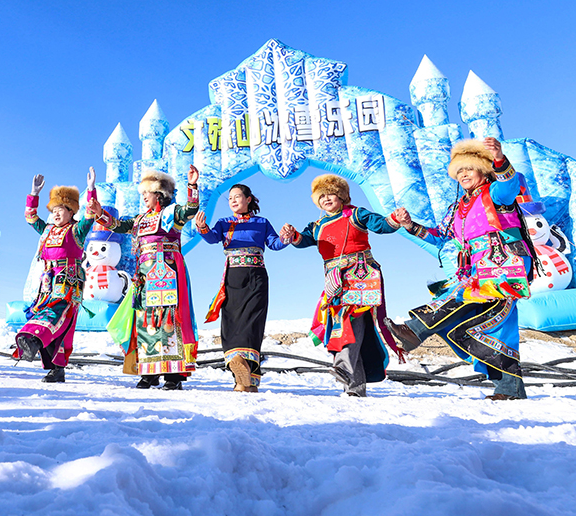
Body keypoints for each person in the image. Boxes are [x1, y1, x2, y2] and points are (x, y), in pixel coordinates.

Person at [384, 137, 532, 400]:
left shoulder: (495, 193)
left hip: (504, 264)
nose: (464, 174)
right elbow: (440, 236)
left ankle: (415, 330)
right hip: (478, 269)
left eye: (469, 169)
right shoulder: (458, 208)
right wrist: (410, 225)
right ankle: (509, 389)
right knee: (487, 328)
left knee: (461, 298)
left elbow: (509, 185)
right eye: (459, 170)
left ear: (483, 170)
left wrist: (499, 158)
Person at [279, 175, 405, 397]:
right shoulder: (317, 226)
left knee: (349, 320)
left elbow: (381, 225)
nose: (326, 199)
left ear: (342, 196)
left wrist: (396, 218)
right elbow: (302, 240)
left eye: (331, 194)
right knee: (342, 323)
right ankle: (354, 388)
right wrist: (292, 235)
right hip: (335, 281)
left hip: (361, 275)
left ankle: (343, 367)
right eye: (322, 196)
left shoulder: (357, 214)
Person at [95, 166, 200, 390]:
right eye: (142, 193)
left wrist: (192, 185)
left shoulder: (171, 214)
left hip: (167, 271)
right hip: (144, 276)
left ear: (159, 194)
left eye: (147, 192)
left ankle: (172, 375)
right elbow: (117, 226)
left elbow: (190, 210)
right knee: (145, 321)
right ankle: (149, 372)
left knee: (169, 319)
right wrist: (99, 213)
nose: (143, 196)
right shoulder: (139, 220)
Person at [194, 184, 288, 392]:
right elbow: (212, 238)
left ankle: (247, 375)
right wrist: (202, 228)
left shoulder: (262, 222)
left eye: (237, 197)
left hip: (256, 277)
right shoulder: (224, 223)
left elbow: (275, 244)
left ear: (248, 199)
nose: (233, 201)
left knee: (253, 322)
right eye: (230, 198)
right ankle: (239, 369)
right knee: (231, 320)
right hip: (233, 277)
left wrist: (286, 237)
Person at [13, 168, 97, 383]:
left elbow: (90, 214)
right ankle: (55, 368)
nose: (56, 214)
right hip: (48, 282)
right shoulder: (47, 230)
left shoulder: (77, 230)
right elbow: (30, 217)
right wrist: (34, 194)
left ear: (71, 211)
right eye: (54, 210)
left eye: (61, 209)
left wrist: (91, 190)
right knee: (50, 318)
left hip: (68, 282)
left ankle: (32, 339)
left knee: (56, 315)